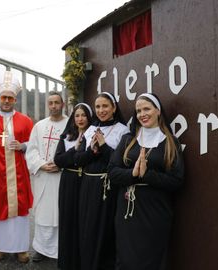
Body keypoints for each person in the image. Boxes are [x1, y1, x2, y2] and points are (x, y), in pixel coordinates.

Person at [108, 93, 184, 270]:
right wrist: (132, 174)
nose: (142, 114)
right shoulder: (128, 139)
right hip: (127, 212)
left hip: (155, 211)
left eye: (147, 109)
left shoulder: (171, 143)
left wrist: (147, 175)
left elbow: (177, 181)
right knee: (126, 257)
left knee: (151, 258)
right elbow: (112, 171)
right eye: (138, 111)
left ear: (158, 111)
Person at [0, 71, 34, 263]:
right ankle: (1, 247)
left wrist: (23, 146)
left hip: (18, 174)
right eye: (4, 97)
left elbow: (34, 144)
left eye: (10, 98)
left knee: (19, 213)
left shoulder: (25, 121)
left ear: (15, 100)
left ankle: (21, 249)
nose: (6, 101)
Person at [76, 92, 129, 270]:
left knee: (104, 229)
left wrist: (104, 146)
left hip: (108, 187)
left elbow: (121, 161)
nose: (101, 110)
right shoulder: (90, 129)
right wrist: (91, 151)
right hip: (88, 186)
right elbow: (80, 159)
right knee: (87, 227)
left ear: (114, 108)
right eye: (97, 107)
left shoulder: (123, 130)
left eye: (105, 106)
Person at [25, 91, 68, 262]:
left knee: (60, 212)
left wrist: (61, 164)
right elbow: (32, 150)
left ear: (62, 104)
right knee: (43, 214)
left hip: (61, 177)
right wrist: (41, 164)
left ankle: (61, 249)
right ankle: (42, 249)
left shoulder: (69, 124)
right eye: (50, 103)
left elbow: (75, 148)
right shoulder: (39, 126)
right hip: (43, 176)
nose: (53, 106)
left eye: (57, 102)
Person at [54, 102, 95, 270]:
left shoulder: (94, 135)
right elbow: (59, 160)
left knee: (84, 223)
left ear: (89, 117)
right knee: (68, 221)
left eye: (84, 115)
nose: (80, 119)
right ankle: (67, 263)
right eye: (77, 115)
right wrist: (75, 150)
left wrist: (76, 156)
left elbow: (89, 158)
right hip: (69, 182)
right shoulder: (67, 137)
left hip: (86, 181)